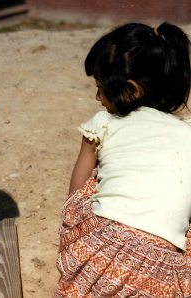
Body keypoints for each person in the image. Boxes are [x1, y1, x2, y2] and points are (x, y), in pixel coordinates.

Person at [54, 23, 191, 298]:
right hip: (161, 269)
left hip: (101, 250)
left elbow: (74, 195)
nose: (97, 97)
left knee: (94, 183)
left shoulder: (104, 123)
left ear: (131, 90)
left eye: (101, 87)